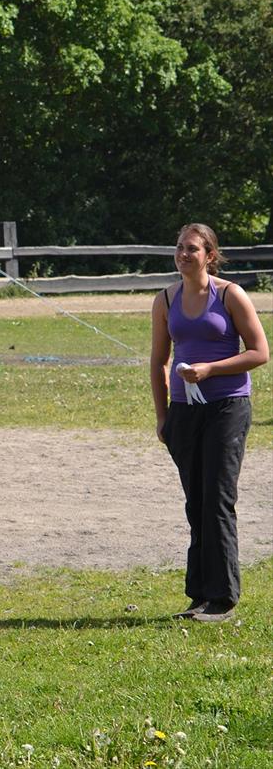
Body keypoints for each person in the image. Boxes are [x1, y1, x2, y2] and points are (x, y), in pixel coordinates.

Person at [149, 223, 268, 623]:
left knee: (217, 499)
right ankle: (199, 595)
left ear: (209, 255)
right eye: (180, 247)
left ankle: (223, 598)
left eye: (193, 248)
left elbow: (259, 352)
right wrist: (164, 416)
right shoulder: (166, 299)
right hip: (185, 412)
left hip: (226, 407)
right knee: (195, 502)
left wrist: (210, 369)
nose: (184, 254)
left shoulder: (230, 295)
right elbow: (158, 361)